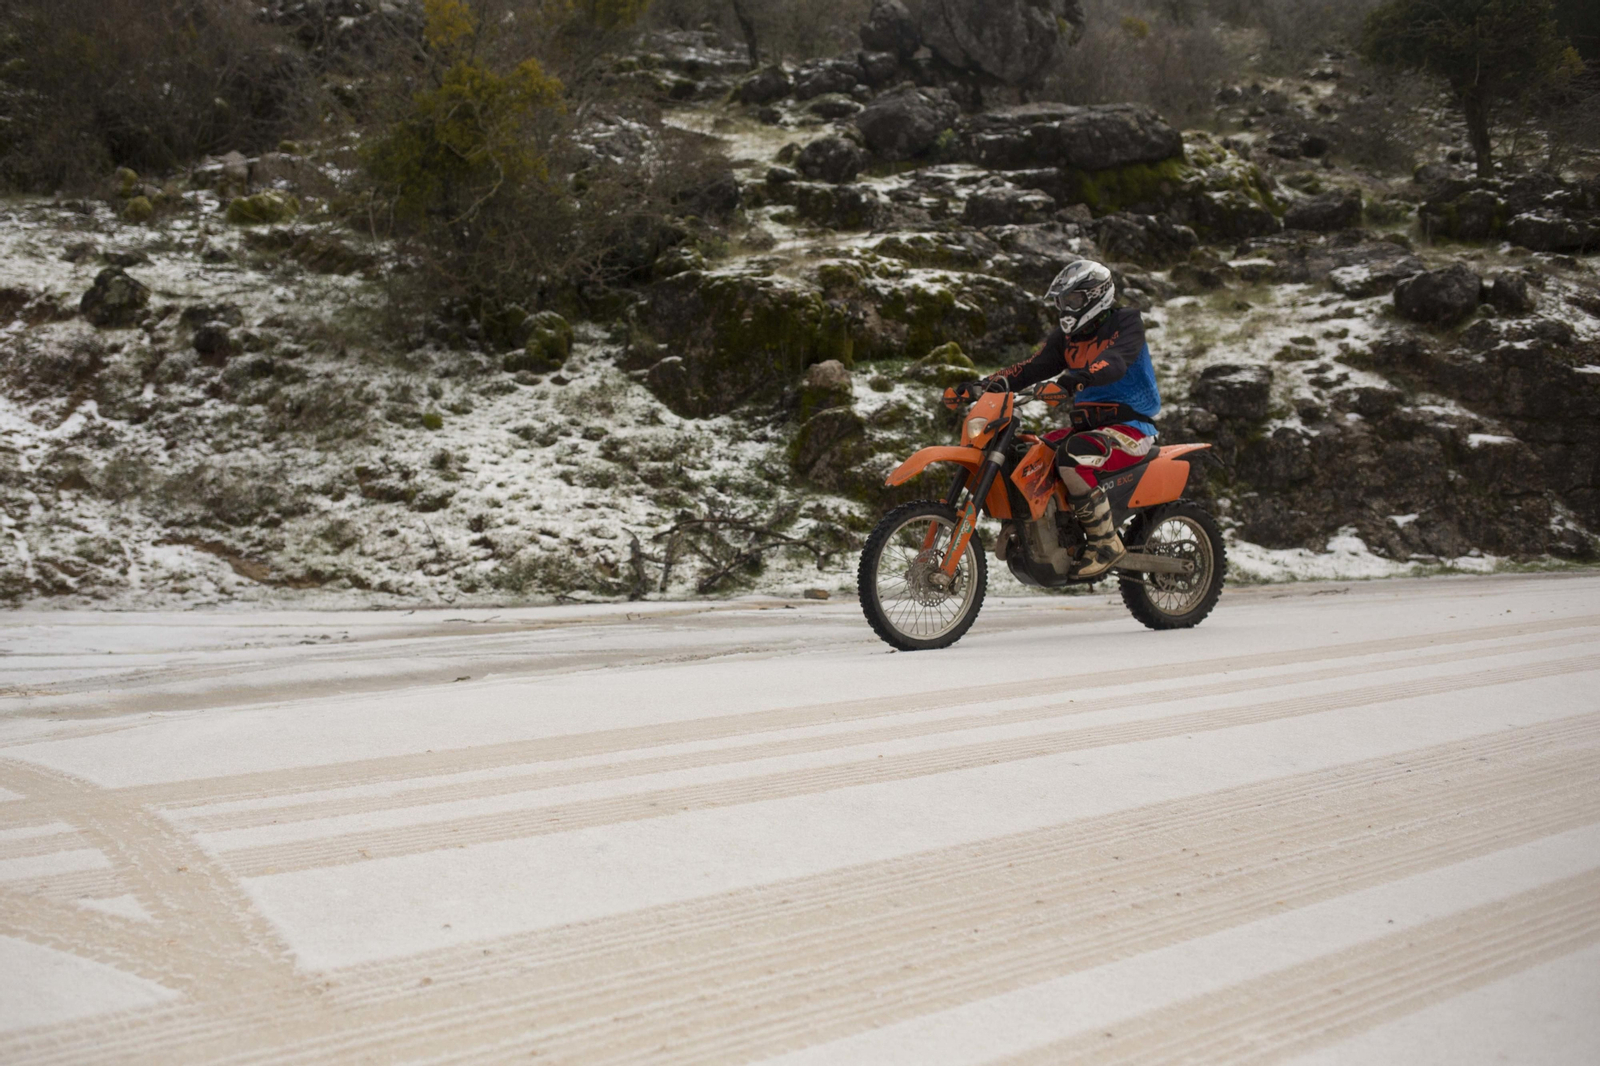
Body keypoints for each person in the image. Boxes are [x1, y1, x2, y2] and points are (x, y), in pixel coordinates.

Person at [967, 260, 1162, 579]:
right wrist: (982, 385)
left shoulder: (1125, 322)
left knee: (1072, 456)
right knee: (1027, 455)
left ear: (1095, 295)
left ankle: (1105, 543)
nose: (1064, 309)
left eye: (1071, 300)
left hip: (1131, 428)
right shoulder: (1066, 337)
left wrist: (1072, 380)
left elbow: (1114, 362)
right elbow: (1031, 368)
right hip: (1088, 427)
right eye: (1060, 302)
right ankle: (1023, 526)